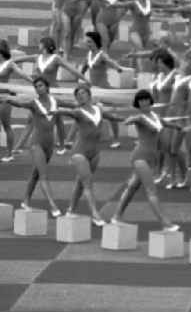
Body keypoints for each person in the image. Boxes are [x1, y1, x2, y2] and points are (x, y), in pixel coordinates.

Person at [52, 85, 125, 226]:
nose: (80, 96)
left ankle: (71, 209)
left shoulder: (99, 110)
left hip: (95, 153)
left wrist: (132, 119)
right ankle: (95, 214)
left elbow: (114, 117)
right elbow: (67, 112)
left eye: (83, 93)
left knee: (81, 182)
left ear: (89, 95)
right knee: (88, 183)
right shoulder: (78, 112)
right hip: (79, 152)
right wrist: (56, 110)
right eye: (78, 94)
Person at [110, 90, 181, 230]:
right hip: (140, 157)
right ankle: (165, 223)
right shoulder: (140, 117)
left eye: (146, 99)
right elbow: (131, 120)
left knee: (132, 188)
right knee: (151, 191)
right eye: (141, 100)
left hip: (151, 159)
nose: (144, 102)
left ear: (150, 101)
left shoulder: (155, 116)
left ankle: (116, 217)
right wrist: (130, 120)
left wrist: (178, 127)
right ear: (138, 103)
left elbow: (165, 123)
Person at [3, 78, 62, 216]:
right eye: (36, 86)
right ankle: (53, 205)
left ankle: (26, 201)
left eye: (40, 85)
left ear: (47, 87)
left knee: (36, 174)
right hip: (36, 143)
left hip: (50, 144)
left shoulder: (55, 102)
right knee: (43, 175)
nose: (38, 88)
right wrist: (8, 99)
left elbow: (71, 106)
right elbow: (19, 103)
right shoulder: (34, 103)